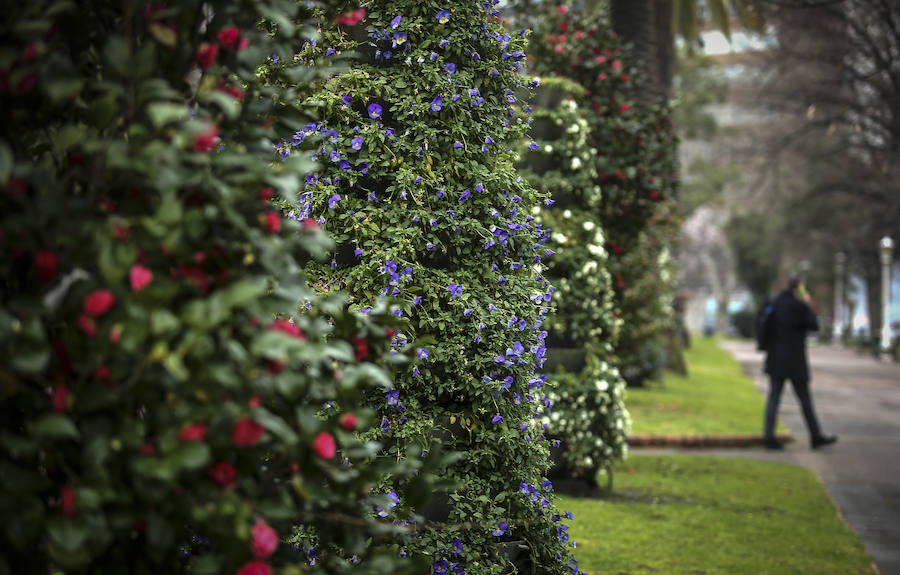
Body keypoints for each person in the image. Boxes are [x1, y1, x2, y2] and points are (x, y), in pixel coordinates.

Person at [763, 275, 837, 450]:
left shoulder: (774, 303)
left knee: (774, 398)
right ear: (799, 288)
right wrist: (807, 302)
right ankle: (816, 436)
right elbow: (814, 325)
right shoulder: (799, 305)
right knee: (805, 400)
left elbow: (764, 327)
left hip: (776, 358)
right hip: (796, 360)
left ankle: (769, 436)